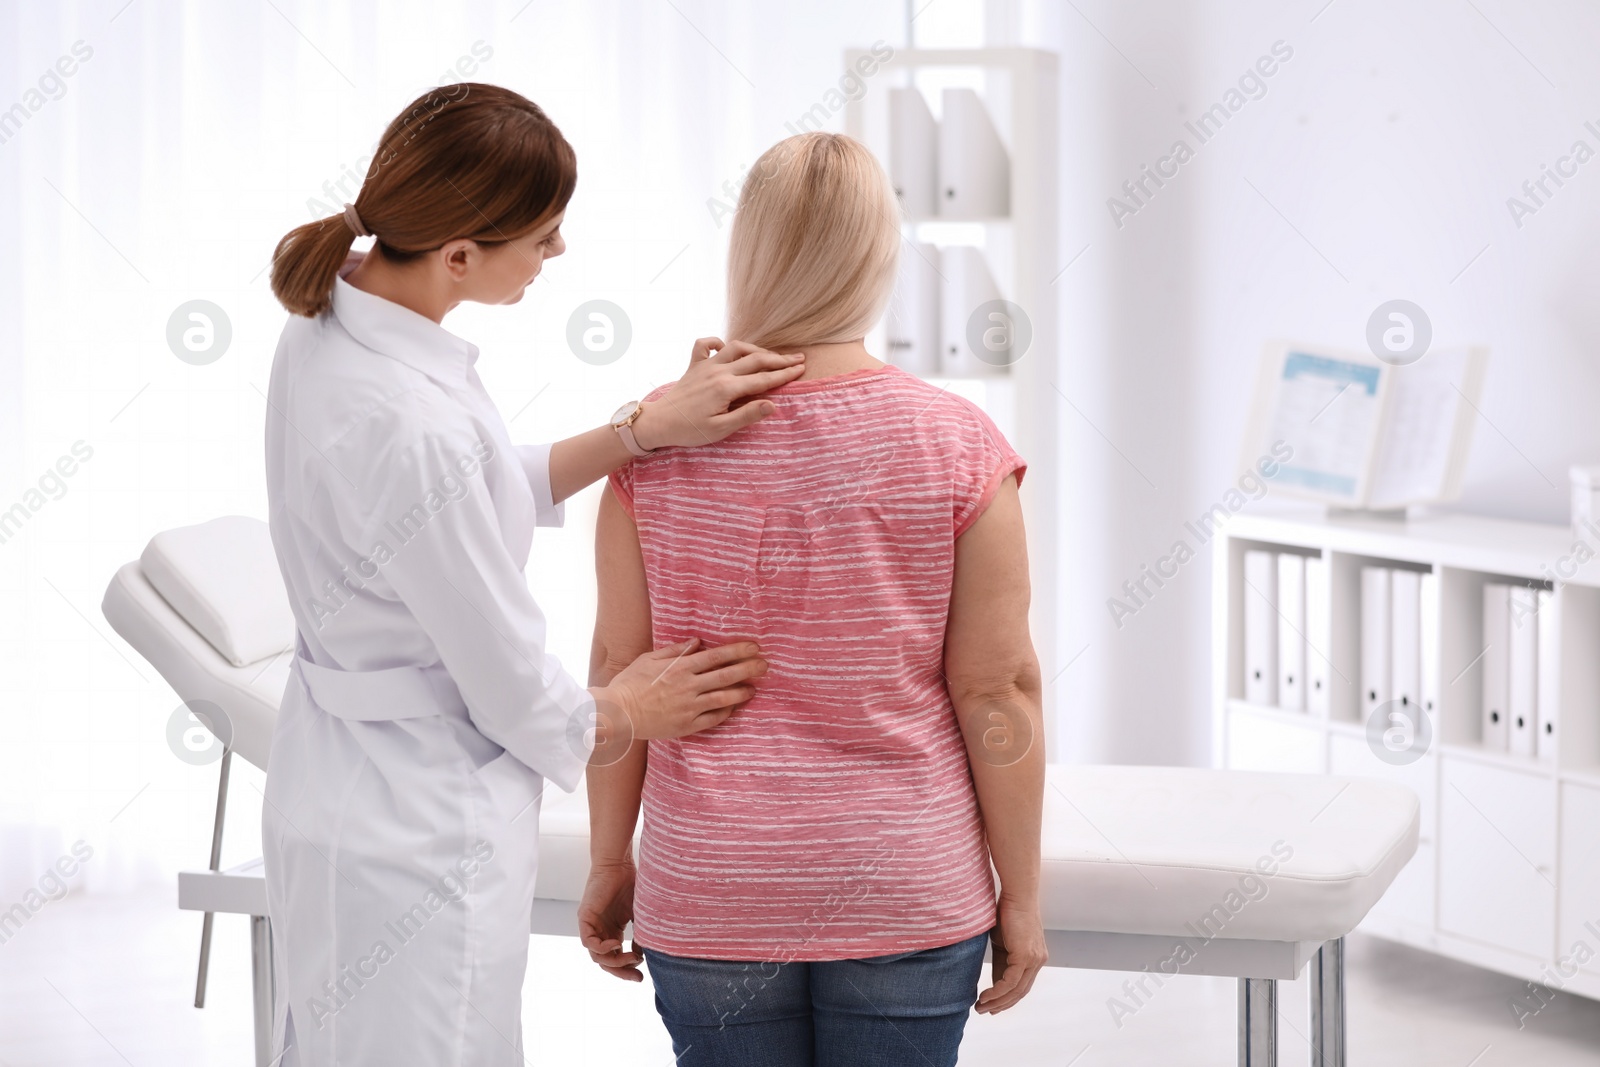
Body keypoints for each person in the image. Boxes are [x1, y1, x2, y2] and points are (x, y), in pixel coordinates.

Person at [260, 83, 800, 1064]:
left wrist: (642, 428)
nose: (557, 255)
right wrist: (627, 705)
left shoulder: (331, 319)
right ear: (460, 254)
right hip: (414, 827)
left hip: (334, 787)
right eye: (544, 237)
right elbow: (505, 672)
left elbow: (452, 499)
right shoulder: (409, 422)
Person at [580, 132, 1047, 1067]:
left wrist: (607, 860)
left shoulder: (655, 437)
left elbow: (616, 679)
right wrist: (1022, 896)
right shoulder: (956, 444)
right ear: (879, 259)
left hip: (713, 887)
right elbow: (999, 692)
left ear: (746, 251)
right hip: (903, 882)